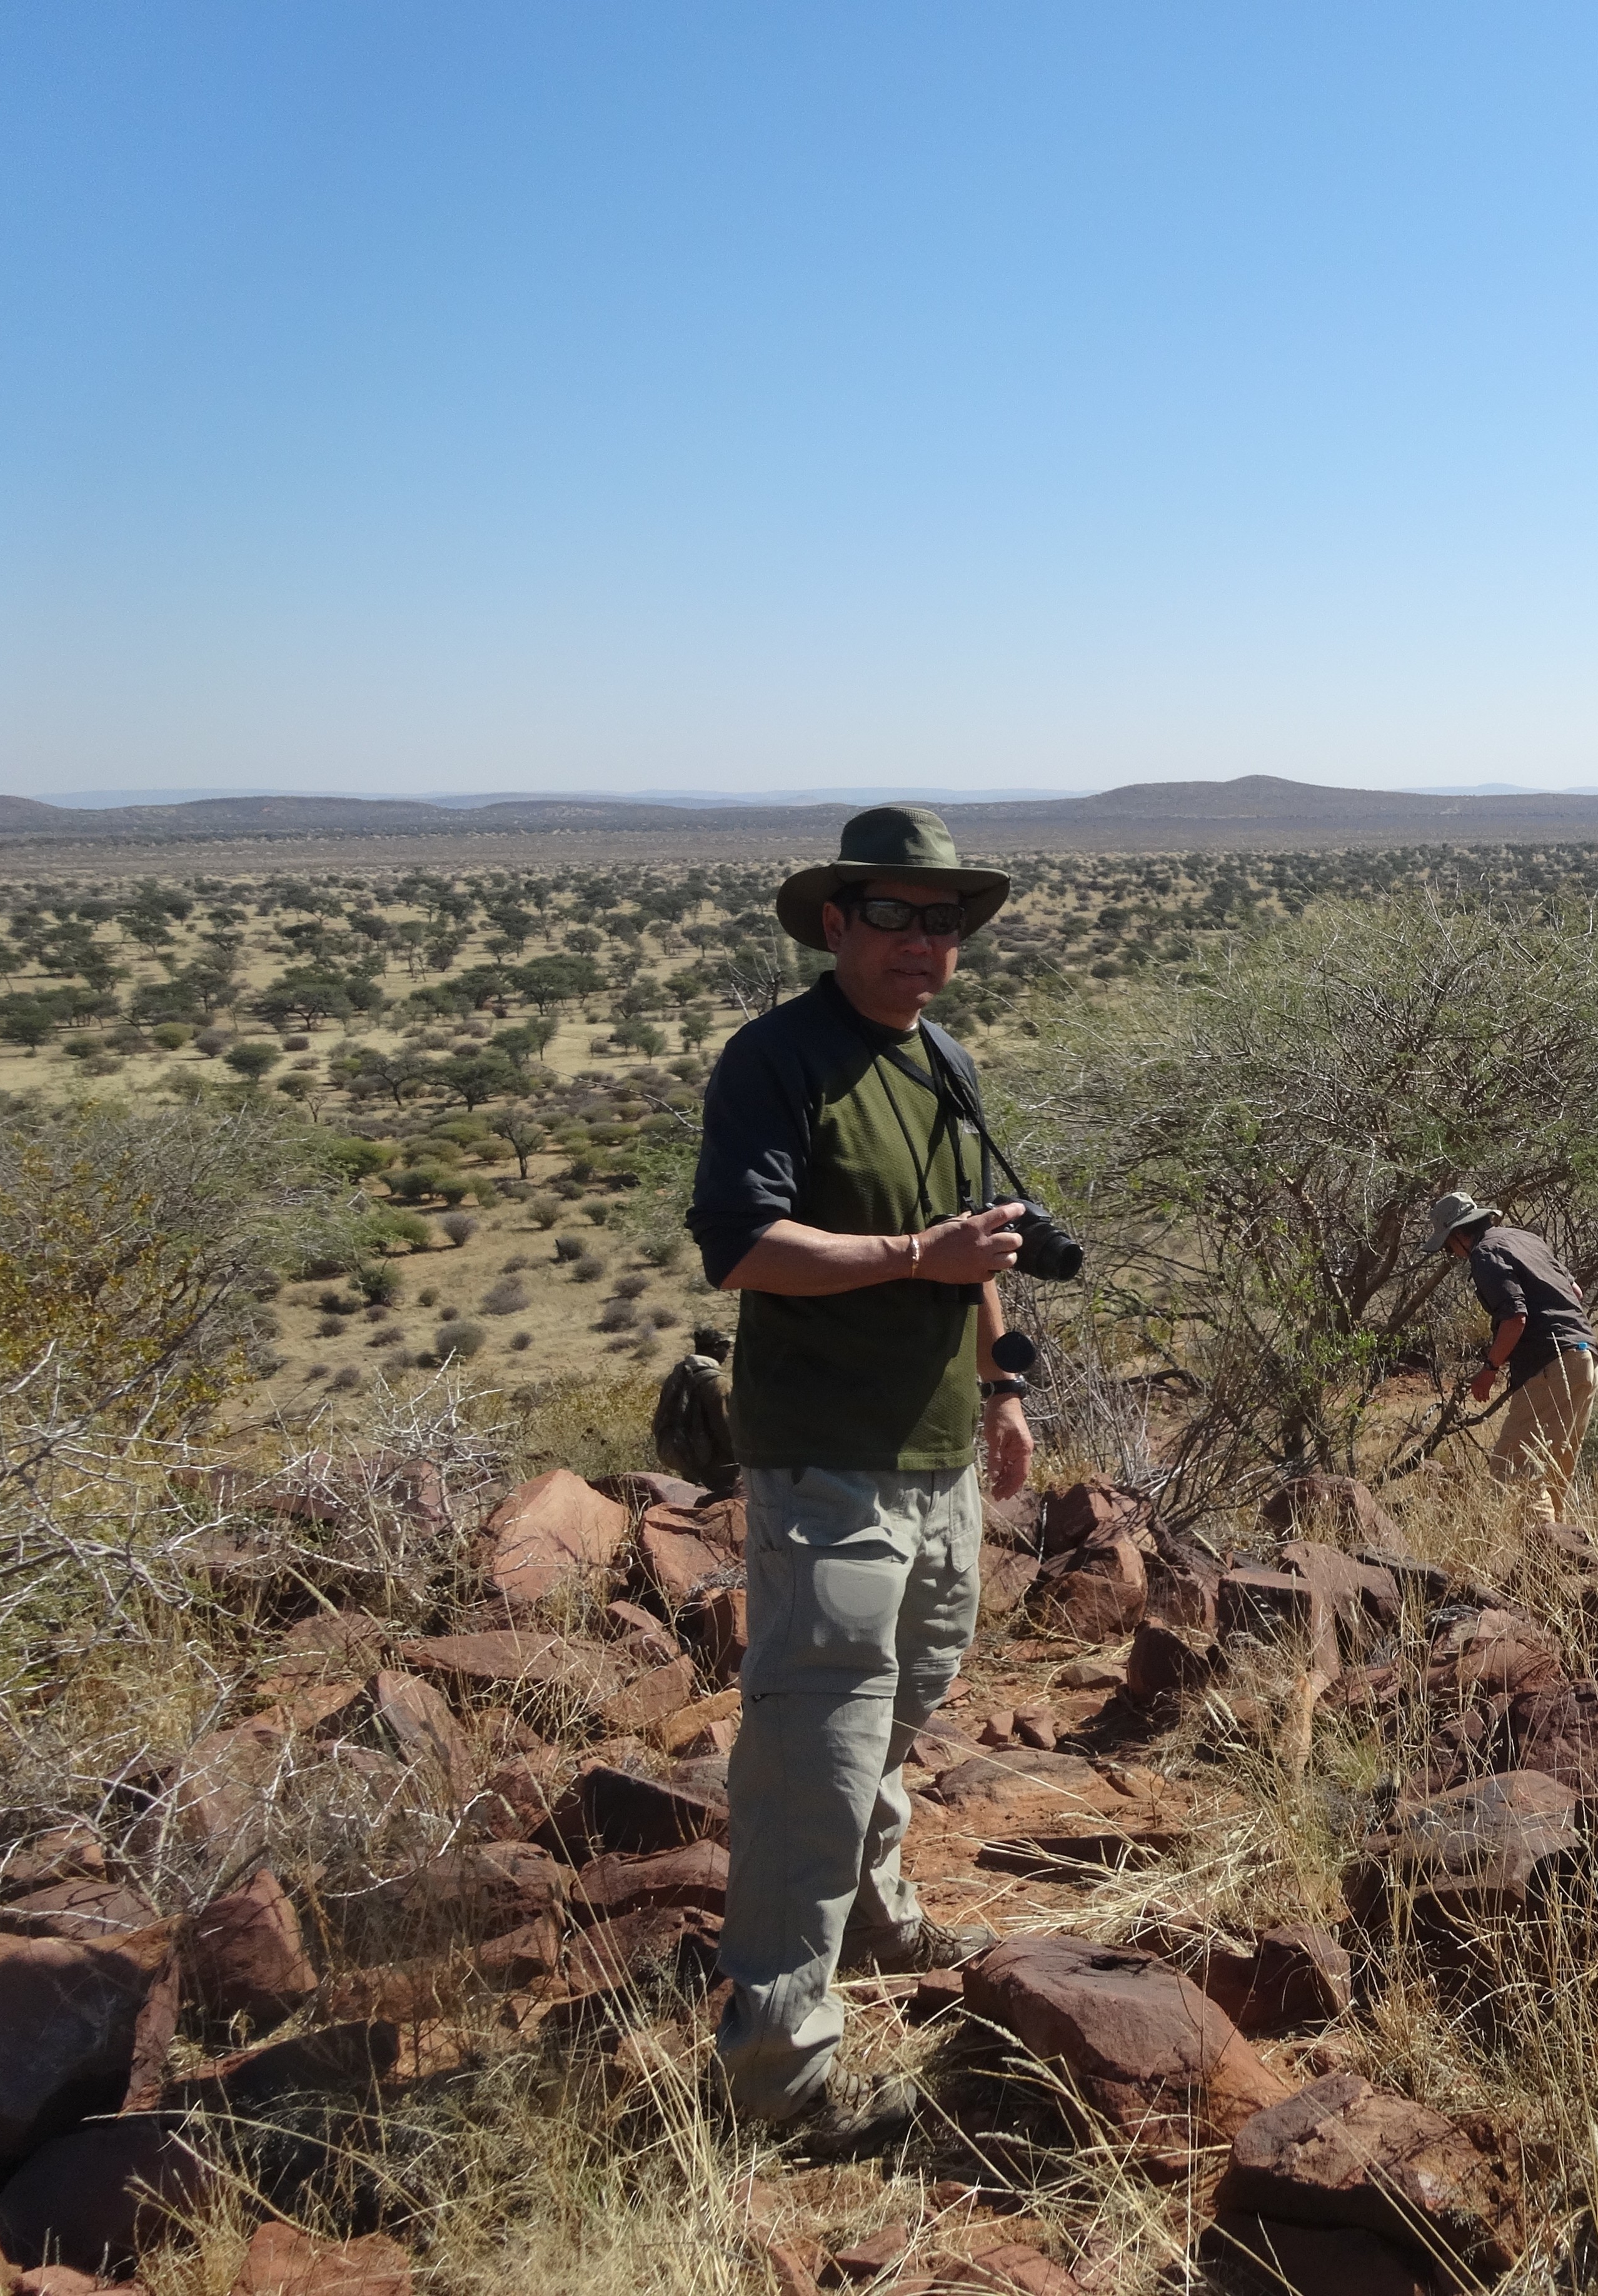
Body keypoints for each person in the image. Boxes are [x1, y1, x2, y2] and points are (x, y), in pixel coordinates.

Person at [685, 804, 1037, 2150]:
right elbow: (741, 1247)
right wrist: (910, 1262)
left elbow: (982, 1251)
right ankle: (778, 2081)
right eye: (892, 914)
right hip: (827, 1455)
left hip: (939, 1445)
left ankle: (880, 1922)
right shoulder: (777, 1059)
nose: (922, 942)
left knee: (904, 1705)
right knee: (816, 1754)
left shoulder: (942, 1059)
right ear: (834, 923)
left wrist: (1002, 1391)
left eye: (941, 919)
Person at [1428, 1190, 1598, 1524]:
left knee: (1512, 1465)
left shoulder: (1485, 1254)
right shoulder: (1525, 1238)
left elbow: (1515, 1318)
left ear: (1460, 1234)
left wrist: (1490, 1369)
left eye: (1449, 1245)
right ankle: (1558, 1553)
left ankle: (1540, 1554)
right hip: (1585, 1358)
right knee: (1554, 1464)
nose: (1452, 1253)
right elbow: (1576, 1293)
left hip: (1551, 1364)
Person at [650, 1323, 740, 1494]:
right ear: (715, 1347)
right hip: (718, 1467)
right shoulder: (719, 1383)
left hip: (688, 1461)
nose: (728, 1352)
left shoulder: (676, 1377)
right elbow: (727, 1429)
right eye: (726, 1346)